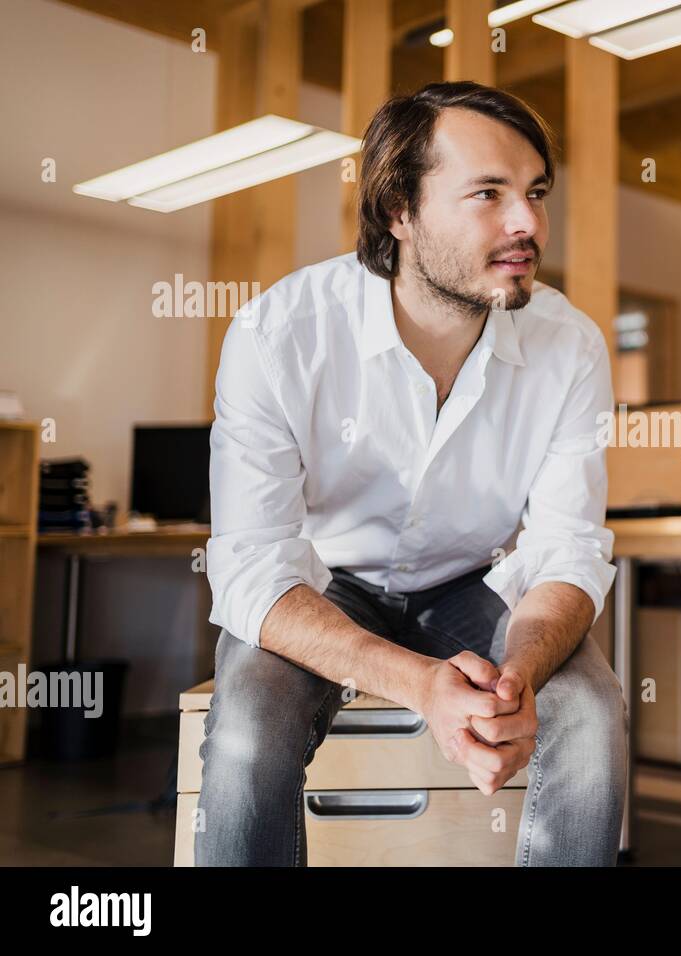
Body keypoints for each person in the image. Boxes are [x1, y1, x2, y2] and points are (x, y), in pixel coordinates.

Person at [194, 81, 627, 867]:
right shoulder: (279, 333)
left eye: (534, 193)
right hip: (323, 587)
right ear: (399, 209)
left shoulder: (572, 345)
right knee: (248, 732)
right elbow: (252, 566)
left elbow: (568, 546)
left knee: (591, 716)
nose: (527, 223)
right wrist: (423, 685)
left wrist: (514, 682)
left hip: (472, 587)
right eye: (488, 194)